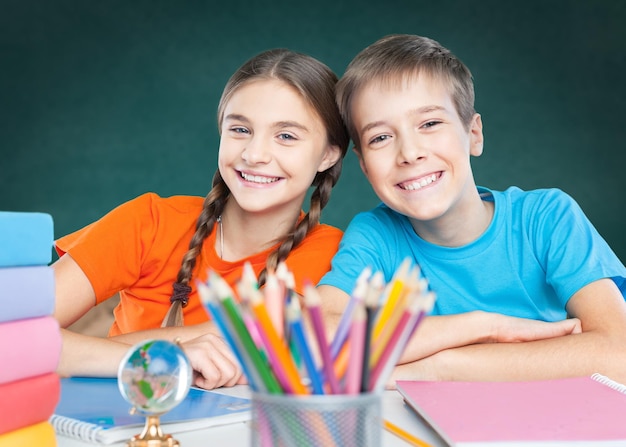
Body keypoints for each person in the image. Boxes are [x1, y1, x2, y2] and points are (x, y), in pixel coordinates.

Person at [318, 34, 626, 384]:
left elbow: (619, 354)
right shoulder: (376, 235)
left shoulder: (547, 218)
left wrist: (440, 367)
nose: (409, 152)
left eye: (430, 124)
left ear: (474, 134)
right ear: (363, 165)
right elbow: (318, 341)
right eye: (380, 138)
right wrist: (483, 326)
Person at [53, 48, 350, 389]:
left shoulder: (335, 259)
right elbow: (11, 334)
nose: (254, 155)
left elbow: (258, 340)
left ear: (328, 154)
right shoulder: (149, 221)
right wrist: (170, 352)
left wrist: (89, 352)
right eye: (240, 129)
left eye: (286, 136)